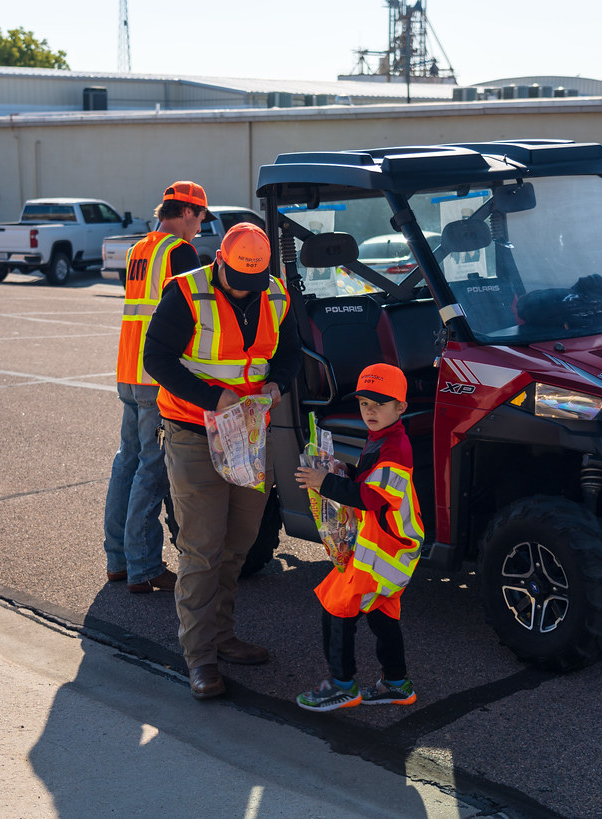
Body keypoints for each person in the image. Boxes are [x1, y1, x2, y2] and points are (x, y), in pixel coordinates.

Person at [143, 222, 302, 699]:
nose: (249, 290)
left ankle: (222, 635)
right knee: (202, 547)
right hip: (194, 433)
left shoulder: (274, 293)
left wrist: (279, 384)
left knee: (238, 544)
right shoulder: (185, 293)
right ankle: (200, 658)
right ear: (221, 263)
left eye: (257, 281)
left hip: (249, 434)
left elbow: (290, 353)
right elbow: (157, 360)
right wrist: (212, 397)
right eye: (240, 280)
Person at [294, 363, 424, 712]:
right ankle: (397, 684)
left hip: (381, 552)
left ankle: (342, 685)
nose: (369, 410)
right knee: (383, 616)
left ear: (400, 408)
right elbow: (369, 483)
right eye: (364, 402)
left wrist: (326, 483)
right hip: (395, 551)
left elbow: (369, 497)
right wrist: (343, 471)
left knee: (336, 608)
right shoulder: (385, 437)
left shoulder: (395, 449)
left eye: (379, 404)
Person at [103, 181, 211, 594]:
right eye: (200, 216)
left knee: (126, 462)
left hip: (128, 370)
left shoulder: (139, 250)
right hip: (157, 376)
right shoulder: (179, 252)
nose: (200, 224)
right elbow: (192, 311)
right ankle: (144, 566)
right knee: (152, 469)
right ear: (186, 212)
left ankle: (118, 560)